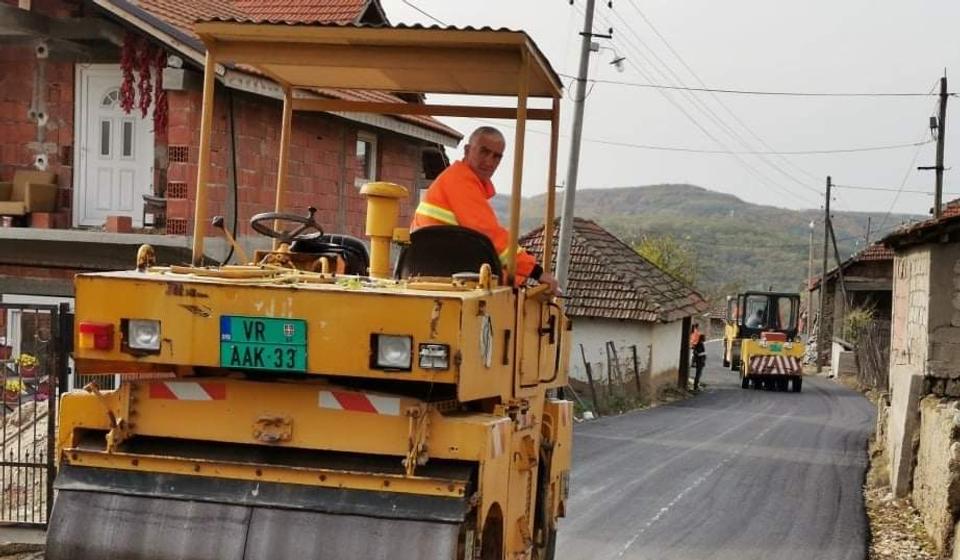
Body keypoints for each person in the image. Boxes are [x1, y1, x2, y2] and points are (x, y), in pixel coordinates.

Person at [410, 126, 560, 294]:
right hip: (448, 271)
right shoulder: (461, 181)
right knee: (509, 284)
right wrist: (536, 272)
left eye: (496, 156)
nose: (489, 162)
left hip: (436, 267)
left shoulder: (456, 179)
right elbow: (490, 236)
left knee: (511, 279)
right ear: (467, 150)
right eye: (484, 152)